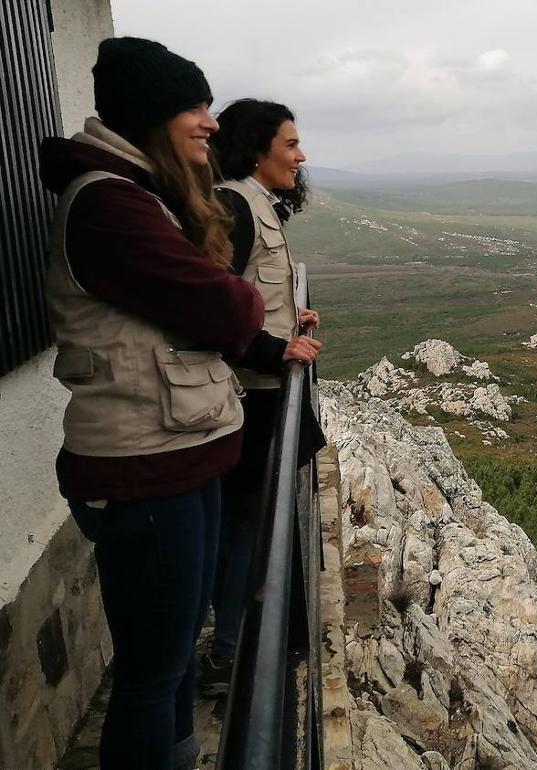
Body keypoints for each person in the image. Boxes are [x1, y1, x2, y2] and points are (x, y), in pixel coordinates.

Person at [38, 38, 318, 770]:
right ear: (154, 115)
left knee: (174, 653)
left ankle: (183, 754)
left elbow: (218, 304)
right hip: (143, 465)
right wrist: (247, 317)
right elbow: (224, 305)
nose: (210, 122)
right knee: (153, 672)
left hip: (177, 453)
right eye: (194, 107)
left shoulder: (141, 197)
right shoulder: (109, 204)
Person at [200, 99, 325, 694]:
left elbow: (249, 293)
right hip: (251, 396)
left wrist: (287, 321)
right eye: (290, 145)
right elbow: (214, 311)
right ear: (258, 151)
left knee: (253, 523)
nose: (301, 157)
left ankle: (238, 642)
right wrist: (275, 351)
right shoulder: (234, 206)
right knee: (248, 527)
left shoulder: (252, 205)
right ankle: (230, 652)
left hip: (263, 389)